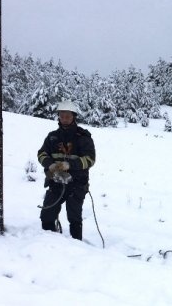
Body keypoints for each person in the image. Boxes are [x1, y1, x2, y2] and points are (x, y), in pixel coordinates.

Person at [37, 101, 96, 240]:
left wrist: (70, 165)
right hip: (56, 182)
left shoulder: (83, 137)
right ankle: (49, 243)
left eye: (68, 116)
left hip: (77, 184)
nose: (64, 119)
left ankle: (77, 247)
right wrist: (50, 164)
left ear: (74, 117)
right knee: (47, 215)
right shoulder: (52, 137)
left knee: (74, 218)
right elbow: (41, 154)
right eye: (62, 116)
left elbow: (90, 159)